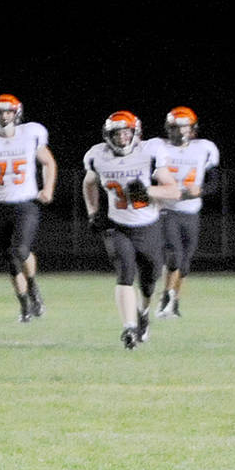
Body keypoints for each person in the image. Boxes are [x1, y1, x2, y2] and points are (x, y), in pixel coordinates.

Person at [82, 111, 179, 349]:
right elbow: (89, 183)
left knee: (149, 282)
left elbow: (173, 191)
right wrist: (93, 212)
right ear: (108, 135)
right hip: (118, 226)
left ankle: (143, 313)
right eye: (117, 133)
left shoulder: (149, 153)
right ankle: (129, 328)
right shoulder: (98, 156)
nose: (122, 137)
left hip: (148, 226)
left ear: (136, 134)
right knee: (124, 274)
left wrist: (149, 191)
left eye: (127, 132)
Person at [0, 94, 57, 322]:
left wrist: (47, 188)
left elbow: (48, 162)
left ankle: (33, 286)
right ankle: (25, 306)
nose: (4, 116)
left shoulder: (30, 134)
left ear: (16, 113)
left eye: (8, 112)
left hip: (26, 203)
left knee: (21, 250)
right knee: (10, 259)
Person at [143, 106, 219, 318]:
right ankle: (165, 298)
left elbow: (214, 182)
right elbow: (141, 170)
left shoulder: (204, 148)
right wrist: (151, 191)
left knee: (184, 263)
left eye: (184, 127)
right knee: (174, 255)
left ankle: (174, 301)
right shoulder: (157, 146)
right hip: (166, 209)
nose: (180, 132)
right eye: (176, 127)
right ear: (169, 128)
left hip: (191, 210)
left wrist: (201, 190)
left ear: (193, 129)